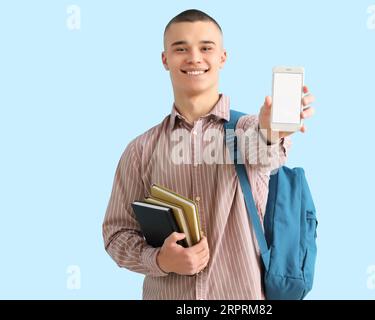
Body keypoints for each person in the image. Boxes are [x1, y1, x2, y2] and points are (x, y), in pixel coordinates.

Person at [102, 9, 315, 300]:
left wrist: (271, 130)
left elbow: (264, 151)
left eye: (206, 48)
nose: (194, 58)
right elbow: (116, 234)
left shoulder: (247, 128)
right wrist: (161, 260)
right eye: (181, 49)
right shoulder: (140, 150)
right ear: (165, 59)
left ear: (222, 58)